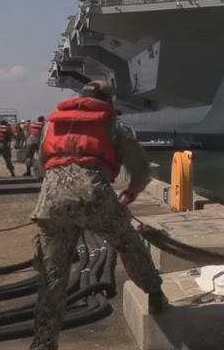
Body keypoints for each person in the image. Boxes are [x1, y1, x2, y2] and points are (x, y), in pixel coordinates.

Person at [29, 80, 165, 350]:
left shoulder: (51, 126)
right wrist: (132, 192)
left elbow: (42, 165)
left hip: (51, 203)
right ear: (110, 101)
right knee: (129, 243)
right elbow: (141, 168)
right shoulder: (115, 127)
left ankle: (44, 342)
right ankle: (155, 293)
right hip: (95, 198)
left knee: (53, 275)